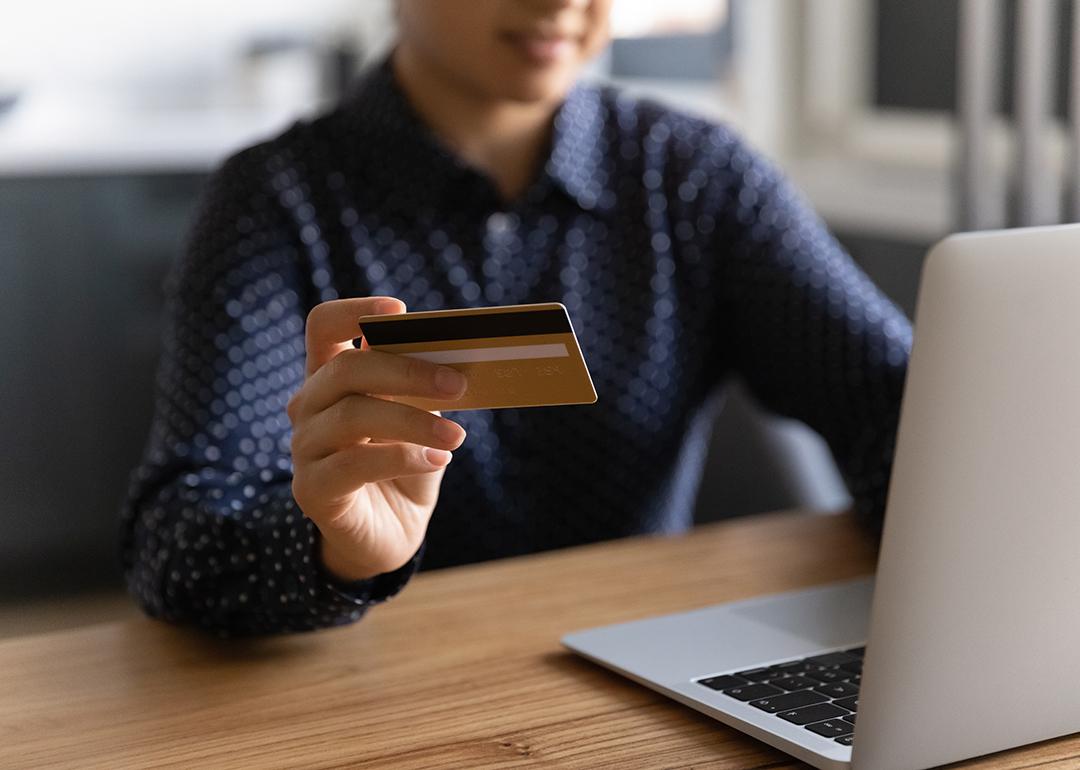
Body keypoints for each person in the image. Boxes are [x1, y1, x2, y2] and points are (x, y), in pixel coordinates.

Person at [122, 0, 911, 635]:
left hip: (647, 671)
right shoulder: (275, 202)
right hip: (365, 687)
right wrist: (336, 553)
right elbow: (178, 539)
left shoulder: (695, 179)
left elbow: (900, 412)